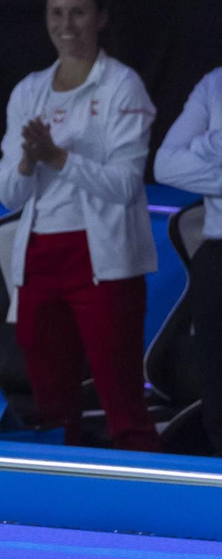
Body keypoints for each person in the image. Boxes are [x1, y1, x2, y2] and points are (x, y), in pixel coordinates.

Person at [0, 0, 159, 451]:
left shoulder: (123, 86)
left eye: (79, 13)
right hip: (39, 258)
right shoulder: (28, 91)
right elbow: (9, 193)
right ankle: (55, 513)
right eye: (57, 13)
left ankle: (145, 512)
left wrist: (59, 158)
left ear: (102, 18)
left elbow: (126, 185)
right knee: (50, 409)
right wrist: (30, 161)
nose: (67, 25)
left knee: (123, 406)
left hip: (102, 261)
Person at [154, 67, 222, 456]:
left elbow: (186, 156)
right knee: (216, 386)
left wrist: (206, 146)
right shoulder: (214, 83)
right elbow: (165, 165)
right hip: (218, 252)